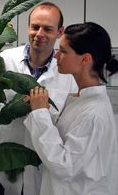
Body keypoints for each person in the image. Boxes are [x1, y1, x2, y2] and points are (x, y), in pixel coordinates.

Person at [0, 2, 78, 195]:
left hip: (41, 170)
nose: (39, 34)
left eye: (48, 29)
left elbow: (68, 124)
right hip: (3, 166)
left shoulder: (68, 75)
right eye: (35, 27)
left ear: (60, 32)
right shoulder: (4, 60)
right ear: (28, 27)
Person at [24, 22, 118, 195]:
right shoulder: (81, 99)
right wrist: (41, 109)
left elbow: (64, 165)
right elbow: (66, 138)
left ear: (85, 59)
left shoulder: (93, 112)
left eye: (64, 51)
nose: (56, 56)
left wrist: (40, 115)